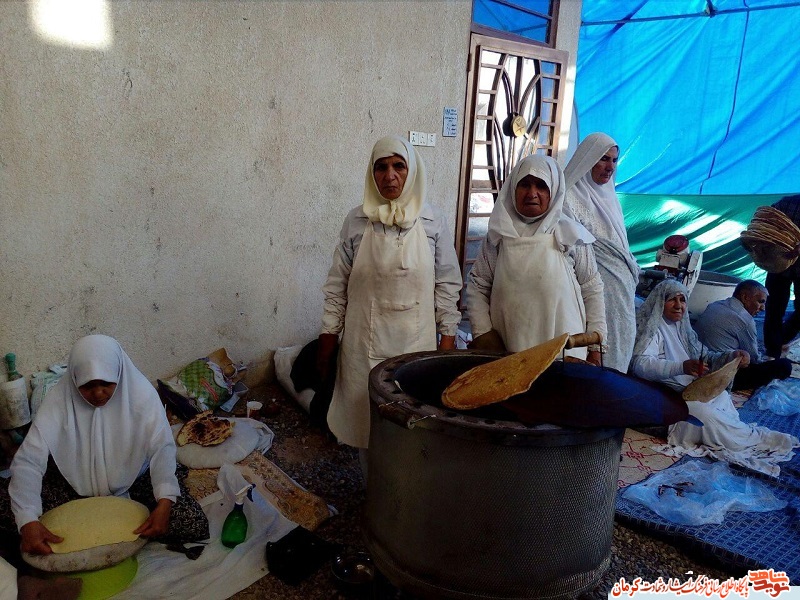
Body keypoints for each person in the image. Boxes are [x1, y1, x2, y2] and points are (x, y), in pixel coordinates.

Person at [0, 335, 208, 556]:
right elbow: (29, 461)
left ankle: (89, 531)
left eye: (106, 383)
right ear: (75, 379)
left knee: (191, 522)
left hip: (135, 479)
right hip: (73, 484)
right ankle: (108, 528)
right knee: (8, 507)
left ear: (119, 374)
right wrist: (27, 520)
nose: (98, 393)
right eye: (87, 385)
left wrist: (165, 501)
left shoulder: (141, 396)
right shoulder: (58, 402)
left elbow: (162, 448)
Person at [317, 136, 462, 451]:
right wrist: (328, 339)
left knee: (412, 426)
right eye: (380, 167)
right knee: (366, 425)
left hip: (417, 345)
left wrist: (447, 340)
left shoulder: (432, 221)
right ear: (372, 174)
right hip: (361, 345)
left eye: (399, 166)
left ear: (412, 171)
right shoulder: (356, 221)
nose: (390, 175)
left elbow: (448, 283)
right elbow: (337, 284)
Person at [630, 280, 798, 476]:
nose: (678, 305)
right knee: (704, 415)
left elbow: (705, 355)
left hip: (689, 389)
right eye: (672, 300)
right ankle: (742, 440)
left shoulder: (682, 328)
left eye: (682, 300)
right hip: (663, 395)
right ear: (660, 302)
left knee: (722, 397)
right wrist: (681, 367)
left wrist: (731, 356)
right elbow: (640, 364)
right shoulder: (652, 328)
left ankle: (742, 436)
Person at [465, 154, 607, 362]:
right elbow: (478, 286)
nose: (532, 193)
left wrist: (595, 347)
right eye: (525, 185)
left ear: (553, 191)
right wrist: (484, 333)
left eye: (541, 186)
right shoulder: (498, 236)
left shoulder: (569, 235)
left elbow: (592, 289)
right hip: (508, 354)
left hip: (564, 356)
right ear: (513, 189)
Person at [564, 132, 640, 372]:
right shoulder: (568, 197)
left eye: (614, 160)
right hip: (591, 293)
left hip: (621, 296)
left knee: (618, 354)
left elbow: (619, 248)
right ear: (588, 159)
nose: (610, 167)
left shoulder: (611, 198)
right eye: (603, 159)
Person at [694, 279, 792, 391]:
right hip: (717, 372)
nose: (763, 308)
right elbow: (754, 359)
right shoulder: (745, 320)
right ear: (745, 297)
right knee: (784, 366)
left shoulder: (715, 304)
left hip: (698, 361)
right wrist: (770, 360)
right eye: (760, 302)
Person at [760, 194, 800, 358]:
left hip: (784, 266)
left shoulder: (787, 202)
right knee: (774, 309)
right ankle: (773, 351)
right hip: (778, 265)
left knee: (776, 311)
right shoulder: (788, 203)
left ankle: (778, 341)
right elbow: (763, 222)